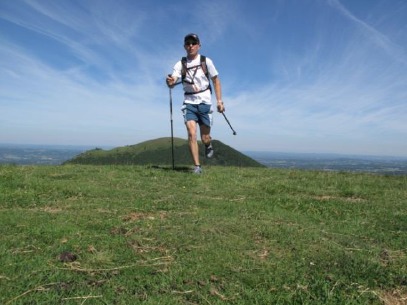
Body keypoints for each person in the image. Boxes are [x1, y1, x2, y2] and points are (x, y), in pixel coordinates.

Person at [166, 33, 225, 174]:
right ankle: (197, 167)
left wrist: (219, 101)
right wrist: (170, 81)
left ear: (199, 45)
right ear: (184, 46)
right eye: (188, 43)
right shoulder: (180, 64)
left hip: (205, 102)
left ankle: (208, 144)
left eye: (193, 43)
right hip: (189, 102)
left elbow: (216, 80)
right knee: (192, 133)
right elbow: (173, 80)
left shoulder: (206, 61)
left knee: (204, 137)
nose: (190, 45)